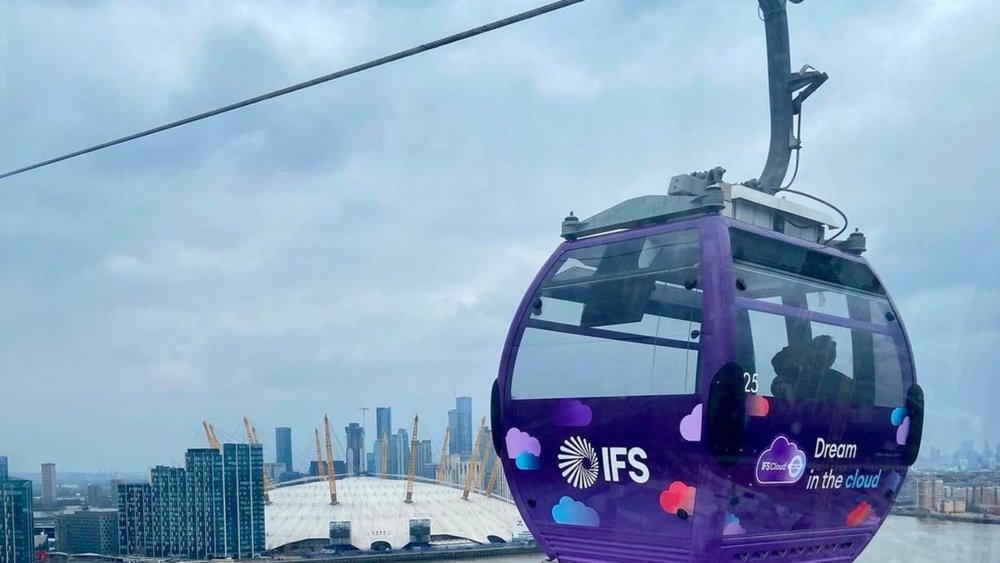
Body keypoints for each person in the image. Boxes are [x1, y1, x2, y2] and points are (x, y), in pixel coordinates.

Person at [770, 335, 853, 402]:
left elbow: (855, 394)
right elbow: (778, 386)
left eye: (831, 354)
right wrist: (786, 389)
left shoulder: (838, 380)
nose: (825, 356)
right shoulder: (794, 376)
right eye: (820, 351)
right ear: (810, 351)